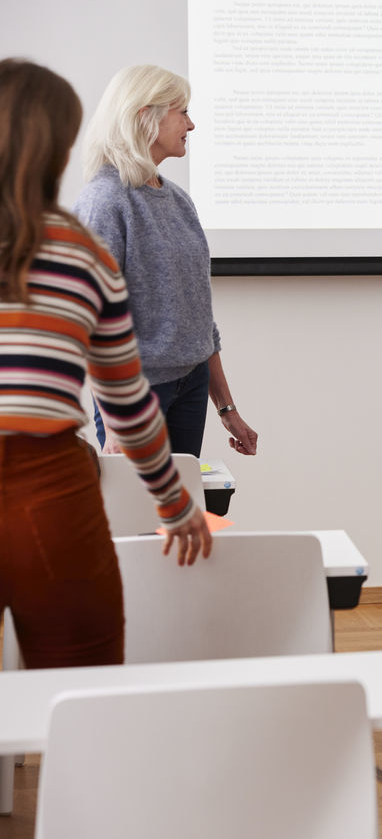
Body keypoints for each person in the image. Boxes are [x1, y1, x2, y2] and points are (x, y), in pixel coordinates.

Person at [0, 59, 212, 670]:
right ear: (55, 145)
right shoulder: (77, 247)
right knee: (81, 675)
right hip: (49, 487)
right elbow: (125, 396)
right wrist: (173, 501)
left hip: (54, 480)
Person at [74, 65, 257, 459]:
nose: (191, 124)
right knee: (137, 518)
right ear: (145, 117)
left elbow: (198, 316)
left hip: (191, 386)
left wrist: (226, 408)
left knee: (179, 517)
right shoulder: (105, 202)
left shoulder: (178, 201)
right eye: (182, 112)